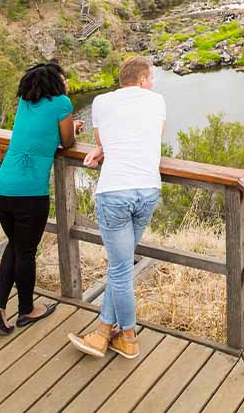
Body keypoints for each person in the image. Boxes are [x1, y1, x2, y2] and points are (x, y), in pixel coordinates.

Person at [68, 55, 165, 359]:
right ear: (140, 80)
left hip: (115, 192)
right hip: (148, 189)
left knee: (120, 268)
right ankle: (102, 331)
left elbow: (104, 140)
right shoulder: (157, 101)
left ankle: (128, 337)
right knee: (121, 267)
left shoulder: (101, 102)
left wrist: (99, 149)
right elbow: (154, 136)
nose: (153, 84)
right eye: (151, 78)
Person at [0, 61, 83, 336]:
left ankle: (0, 306)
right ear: (55, 82)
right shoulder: (62, 103)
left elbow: (39, 132)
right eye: (63, 79)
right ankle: (27, 310)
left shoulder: (26, 103)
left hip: (2, 188)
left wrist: (64, 127)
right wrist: (73, 128)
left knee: (16, 246)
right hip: (30, 193)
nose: (66, 83)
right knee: (26, 252)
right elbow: (67, 143)